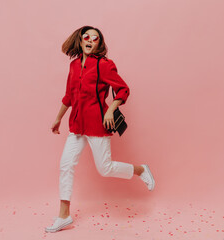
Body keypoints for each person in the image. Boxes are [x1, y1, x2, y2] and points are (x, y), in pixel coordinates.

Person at [45, 26, 155, 233]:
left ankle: (141, 170)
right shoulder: (74, 66)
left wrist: (110, 109)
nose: (90, 41)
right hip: (77, 125)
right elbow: (69, 95)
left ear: (99, 44)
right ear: (80, 40)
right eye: (86, 37)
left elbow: (123, 89)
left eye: (95, 39)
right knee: (65, 165)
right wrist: (58, 118)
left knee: (105, 168)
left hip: (97, 123)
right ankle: (64, 215)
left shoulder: (104, 65)